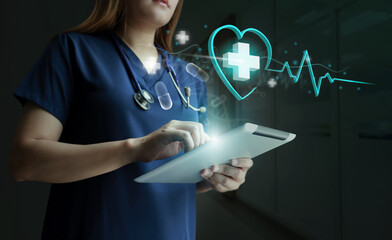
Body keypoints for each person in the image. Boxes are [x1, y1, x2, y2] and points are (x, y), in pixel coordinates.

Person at [9, 0, 254, 239]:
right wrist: (134, 149)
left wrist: (217, 175)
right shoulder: (72, 51)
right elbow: (25, 162)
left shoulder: (190, 79)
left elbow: (186, 177)